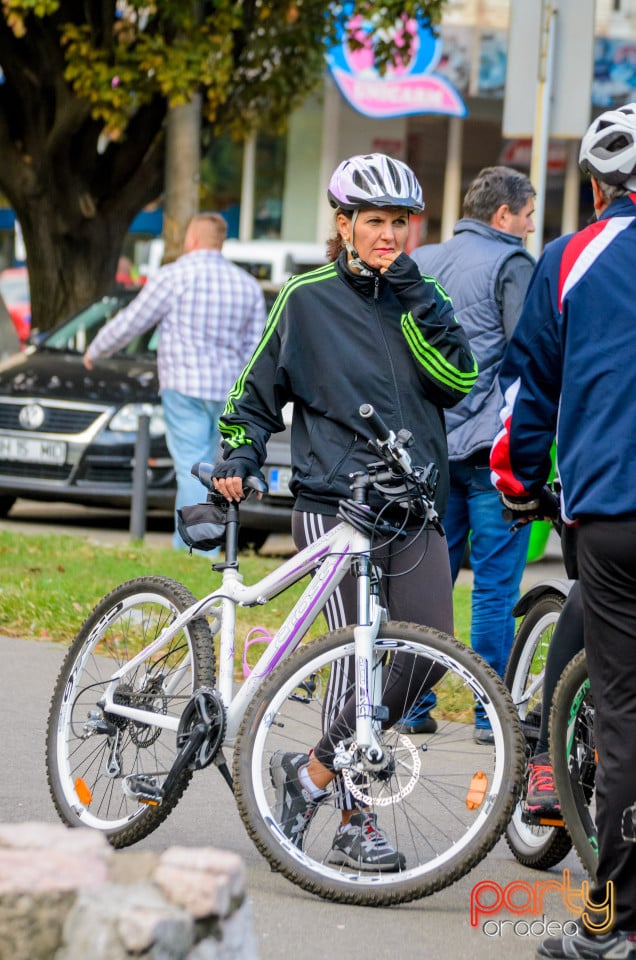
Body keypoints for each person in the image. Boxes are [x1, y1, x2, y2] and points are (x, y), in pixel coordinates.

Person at [212, 153, 477, 870]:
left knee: (428, 655)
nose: (388, 235)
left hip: (414, 505)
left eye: (400, 223)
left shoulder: (425, 299)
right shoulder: (305, 297)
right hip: (335, 506)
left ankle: (312, 774)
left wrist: (417, 297)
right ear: (345, 225)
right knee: (355, 664)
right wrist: (238, 457)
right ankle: (357, 820)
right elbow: (253, 395)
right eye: (375, 222)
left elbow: (459, 380)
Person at [490, 103, 636, 960]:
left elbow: (527, 392)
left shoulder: (573, 257)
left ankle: (611, 926)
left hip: (615, 513)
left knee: (622, 712)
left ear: (595, 186)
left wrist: (516, 485)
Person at [407, 166, 536, 744]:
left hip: (429, 448)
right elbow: (529, 352)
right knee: (494, 589)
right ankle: (490, 715)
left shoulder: (424, 259)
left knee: (427, 584)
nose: (531, 227)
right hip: (490, 450)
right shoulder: (512, 265)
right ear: (503, 216)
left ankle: (409, 704)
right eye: (528, 215)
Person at [84, 213, 266, 549]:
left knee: (191, 466)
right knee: (218, 468)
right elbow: (255, 349)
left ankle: (192, 544)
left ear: (192, 239)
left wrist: (96, 348)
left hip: (184, 387)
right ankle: (214, 540)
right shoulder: (246, 285)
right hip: (228, 393)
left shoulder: (174, 276)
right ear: (220, 241)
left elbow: (133, 320)